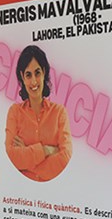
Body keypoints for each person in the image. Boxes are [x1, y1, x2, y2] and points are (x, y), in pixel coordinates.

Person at [5, 45, 72, 181]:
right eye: (28, 75)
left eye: (37, 73)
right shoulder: (14, 112)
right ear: (22, 77)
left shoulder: (59, 113)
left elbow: (65, 157)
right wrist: (46, 150)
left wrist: (26, 159)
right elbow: (11, 156)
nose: (34, 81)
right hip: (21, 189)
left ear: (44, 72)